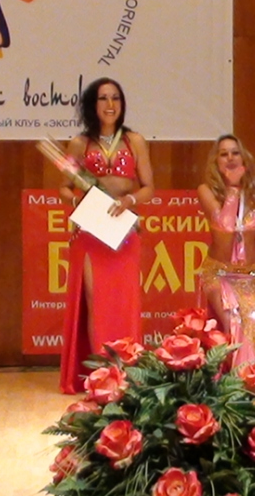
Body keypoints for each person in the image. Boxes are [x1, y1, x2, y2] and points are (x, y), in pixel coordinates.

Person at [58, 77, 154, 394]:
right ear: (93, 104)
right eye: (103, 98)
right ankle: (100, 376)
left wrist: (129, 200)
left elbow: (149, 188)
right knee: (95, 302)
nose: (110, 105)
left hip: (123, 230)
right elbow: (63, 187)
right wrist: (79, 202)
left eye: (116, 98)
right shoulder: (79, 144)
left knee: (124, 303)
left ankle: (127, 374)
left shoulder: (135, 141)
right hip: (91, 231)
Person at [197, 135, 255, 368]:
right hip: (219, 274)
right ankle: (237, 379)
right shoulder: (207, 190)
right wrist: (232, 189)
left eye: (235, 152)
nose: (230, 158)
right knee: (235, 321)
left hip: (250, 275)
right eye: (224, 154)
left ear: (244, 158)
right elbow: (225, 225)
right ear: (216, 161)